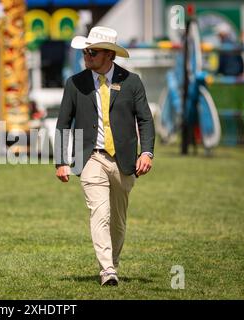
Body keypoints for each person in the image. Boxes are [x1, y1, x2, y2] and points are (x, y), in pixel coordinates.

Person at [55, 26, 155, 286]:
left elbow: (145, 120)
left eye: (92, 52)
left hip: (124, 161)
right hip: (89, 158)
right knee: (100, 213)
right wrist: (61, 161)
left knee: (118, 221)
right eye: (85, 51)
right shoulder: (75, 83)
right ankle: (107, 270)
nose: (86, 56)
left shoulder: (132, 82)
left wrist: (146, 152)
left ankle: (113, 262)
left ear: (109, 55)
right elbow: (63, 124)